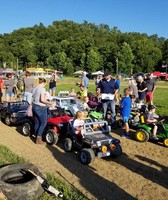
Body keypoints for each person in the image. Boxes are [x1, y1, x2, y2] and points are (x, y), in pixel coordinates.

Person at [32, 77, 53, 144]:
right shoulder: (42, 89)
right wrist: (50, 103)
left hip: (34, 106)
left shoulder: (35, 88)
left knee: (37, 123)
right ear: (43, 82)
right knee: (43, 123)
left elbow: (33, 96)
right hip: (41, 108)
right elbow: (42, 100)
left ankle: (36, 134)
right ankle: (39, 138)